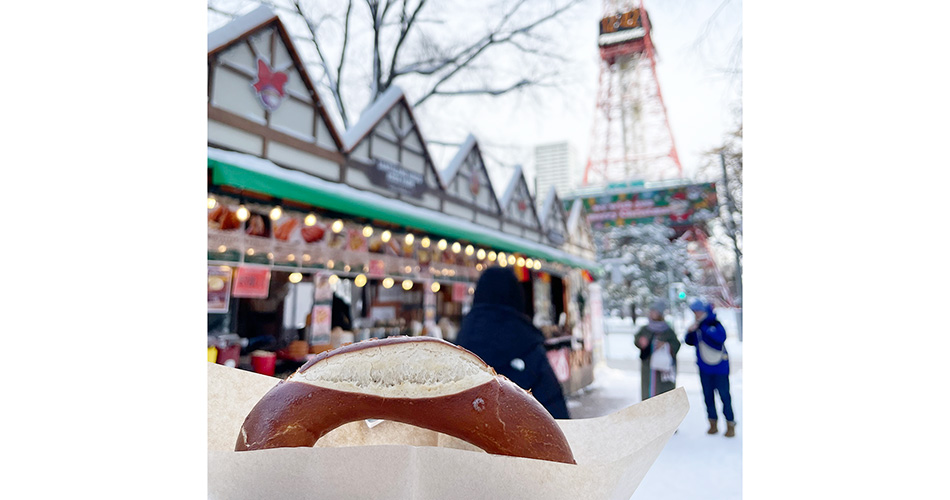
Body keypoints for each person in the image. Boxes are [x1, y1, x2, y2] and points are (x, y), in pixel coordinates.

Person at [454, 267, 570, 419]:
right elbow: (558, 418)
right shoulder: (529, 349)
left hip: (466, 440)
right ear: (518, 298)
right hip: (523, 440)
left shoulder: (459, 347)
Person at [684, 298, 736, 437]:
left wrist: (704, 328)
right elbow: (689, 341)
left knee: (724, 396)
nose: (696, 314)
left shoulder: (714, 323)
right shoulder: (697, 326)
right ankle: (712, 423)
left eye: (698, 311)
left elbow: (720, 338)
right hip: (704, 367)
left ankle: (730, 424)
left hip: (720, 368)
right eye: (694, 312)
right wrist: (690, 331)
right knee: (708, 396)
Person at [634, 299, 680, 401]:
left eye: (654, 311)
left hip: (663, 370)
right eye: (651, 311)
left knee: (663, 395)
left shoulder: (668, 331)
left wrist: (665, 345)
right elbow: (637, 340)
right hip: (648, 368)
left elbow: (676, 345)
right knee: (648, 394)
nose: (651, 313)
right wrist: (641, 342)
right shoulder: (645, 329)